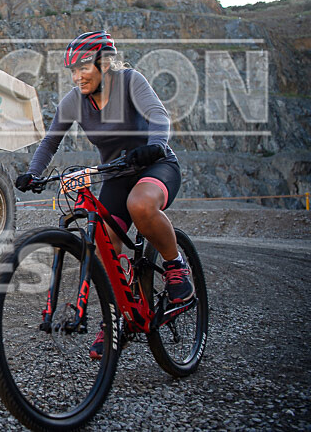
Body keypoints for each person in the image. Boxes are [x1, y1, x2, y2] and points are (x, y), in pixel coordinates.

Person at [15, 30, 194, 359]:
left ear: (105, 64)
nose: (77, 77)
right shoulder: (74, 101)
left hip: (155, 165)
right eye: (73, 70)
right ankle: (118, 318)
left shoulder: (130, 81)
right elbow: (51, 141)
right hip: (116, 175)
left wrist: (155, 145)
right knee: (103, 243)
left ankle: (176, 265)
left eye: (84, 68)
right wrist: (33, 173)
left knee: (140, 205)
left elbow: (159, 115)